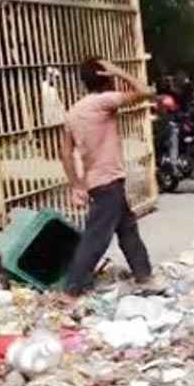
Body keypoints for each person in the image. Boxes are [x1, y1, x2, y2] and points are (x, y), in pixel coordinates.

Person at [60, 58, 156, 296]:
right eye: (109, 74)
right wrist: (118, 71)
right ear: (105, 77)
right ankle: (71, 289)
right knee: (96, 237)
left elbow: (65, 153)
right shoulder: (103, 102)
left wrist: (77, 185)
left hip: (97, 181)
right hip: (108, 181)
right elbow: (146, 92)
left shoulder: (73, 112)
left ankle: (144, 275)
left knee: (127, 229)